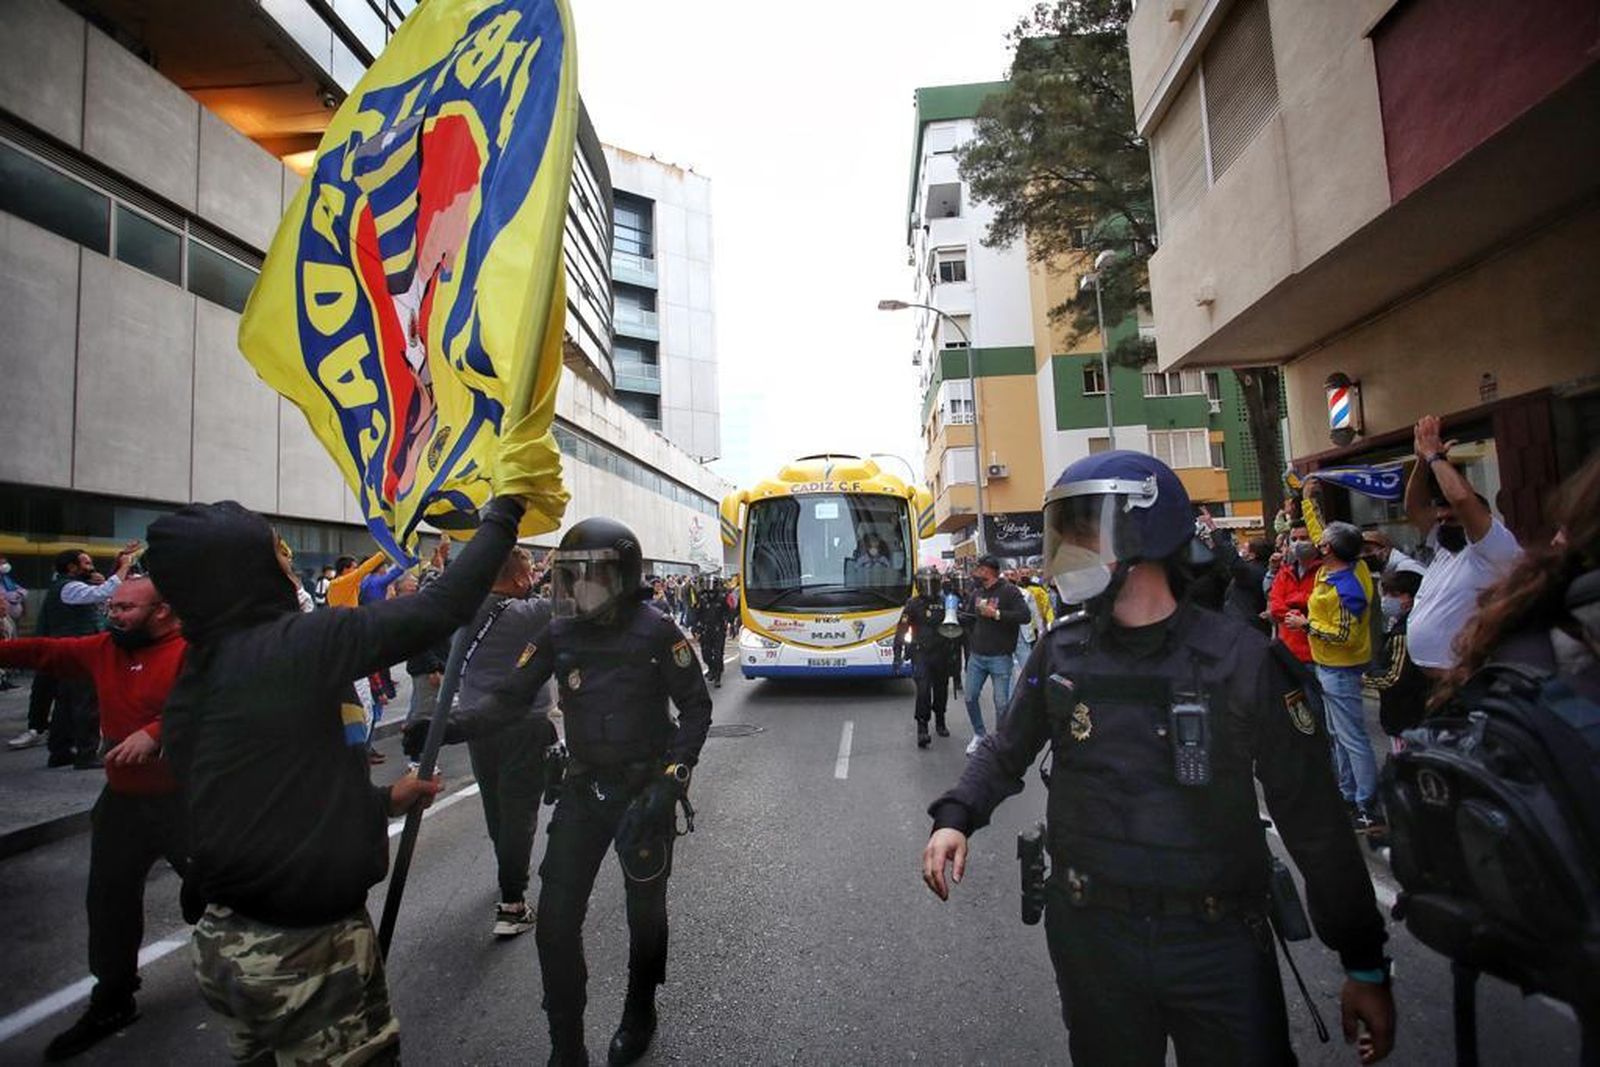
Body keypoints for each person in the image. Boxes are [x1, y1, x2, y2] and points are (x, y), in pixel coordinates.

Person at [922, 450, 1396, 1066]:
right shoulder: (1063, 653)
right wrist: (955, 816)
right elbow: (1005, 750)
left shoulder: (1239, 661)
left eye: (1084, 531)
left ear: (1144, 533)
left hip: (1217, 945)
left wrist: (1364, 962)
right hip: (1093, 939)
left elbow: (1314, 823)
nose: (1067, 550)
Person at [143, 495, 527, 1064]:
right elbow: (441, 607)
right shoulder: (288, 648)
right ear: (242, 570)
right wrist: (505, 512)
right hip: (301, 949)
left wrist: (382, 803)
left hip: (232, 941)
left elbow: (270, 798)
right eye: (273, 549)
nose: (288, 561)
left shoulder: (207, 665)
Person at [456, 517, 713, 1067]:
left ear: (620, 576)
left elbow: (696, 707)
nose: (574, 589)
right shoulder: (556, 631)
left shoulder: (657, 629)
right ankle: (565, 1046)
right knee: (553, 922)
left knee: (644, 914)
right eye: (567, 577)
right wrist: (454, 727)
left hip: (645, 792)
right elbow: (508, 697)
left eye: (587, 576)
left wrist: (674, 780)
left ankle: (640, 1009)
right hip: (582, 789)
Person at [0, 575, 188, 1060]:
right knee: (108, 899)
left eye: (126, 607)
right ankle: (112, 999)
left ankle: (257, 969)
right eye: (112, 607)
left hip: (187, 802)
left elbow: (211, 705)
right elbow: (45, 652)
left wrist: (156, 731)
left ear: (163, 611)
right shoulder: (104, 648)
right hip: (123, 801)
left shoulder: (193, 652)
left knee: (225, 888)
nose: (115, 614)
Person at [412, 546, 557, 939]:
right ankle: (513, 903)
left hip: (474, 723)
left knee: (495, 803)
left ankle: (505, 869)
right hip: (522, 723)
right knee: (520, 812)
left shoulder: (464, 610)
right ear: (518, 579)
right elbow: (574, 604)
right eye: (527, 575)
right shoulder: (528, 614)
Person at [1286, 487, 1382, 830]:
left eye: (1322, 541)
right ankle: (1347, 793)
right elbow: (1316, 528)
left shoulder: (1348, 586)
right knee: (1338, 735)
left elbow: (1344, 634)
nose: (1315, 542)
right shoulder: (1335, 566)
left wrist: (1305, 624)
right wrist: (1307, 500)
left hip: (1340, 669)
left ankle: (1368, 804)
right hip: (1327, 667)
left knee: (1352, 738)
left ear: (1329, 549)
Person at [1403, 415, 1521, 675]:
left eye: (1452, 518)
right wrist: (1422, 462)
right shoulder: (1445, 547)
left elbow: (1461, 500)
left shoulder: (1492, 546)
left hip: (1467, 675)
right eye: (1441, 518)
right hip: (1430, 676)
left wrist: (1435, 457)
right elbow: (1414, 509)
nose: (1444, 522)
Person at [12, 544, 139, 764]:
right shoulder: (68, 588)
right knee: (85, 703)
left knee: (66, 704)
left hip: (71, 651)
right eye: (86, 563)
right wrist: (124, 567)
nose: (91, 567)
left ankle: (60, 751)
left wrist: (118, 563)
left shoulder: (71, 586)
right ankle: (86, 753)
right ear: (72, 567)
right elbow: (104, 591)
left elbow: (102, 589)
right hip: (77, 651)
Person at [960, 555, 1031, 754]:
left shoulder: (1009, 591)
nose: (975, 571)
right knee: (970, 696)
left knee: (1001, 703)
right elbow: (970, 618)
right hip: (977, 656)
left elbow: (1025, 616)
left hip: (1000, 657)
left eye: (978, 568)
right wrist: (954, 616)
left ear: (988, 570)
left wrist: (997, 614)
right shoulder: (977, 592)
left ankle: (1001, 741)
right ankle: (980, 734)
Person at [894, 571, 965, 746]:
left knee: (941, 690)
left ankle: (940, 720)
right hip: (920, 652)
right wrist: (897, 654)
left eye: (932, 582)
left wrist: (956, 654)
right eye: (925, 582)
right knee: (923, 690)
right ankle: (922, 727)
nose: (929, 586)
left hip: (942, 652)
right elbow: (902, 629)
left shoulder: (945, 603)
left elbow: (955, 628)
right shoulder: (912, 604)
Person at [1364, 569, 1428, 747]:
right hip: (1405, 713)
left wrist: (1366, 678)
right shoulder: (1401, 625)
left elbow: (1395, 677)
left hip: (1405, 713)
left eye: (1396, 594)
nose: (1387, 599)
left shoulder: (1403, 632)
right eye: (1386, 593)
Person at [1268, 518, 1319, 666]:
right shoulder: (1284, 571)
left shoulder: (1325, 570)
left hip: (1317, 653)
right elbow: (1276, 607)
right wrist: (1299, 611)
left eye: (1304, 538)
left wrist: (1291, 600)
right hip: (1289, 650)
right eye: (1294, 539)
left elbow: (1321, 605)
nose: (1298, 543)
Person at [692, 575, 732, 688]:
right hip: (706, 629)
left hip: (718, 629)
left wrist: (728, 621)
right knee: (706, 654)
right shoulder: (702, 597)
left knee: (718, 654)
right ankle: (712, 668)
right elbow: (697, 613)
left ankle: (717, 678)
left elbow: (728, 611)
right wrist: (695, 627)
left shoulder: (722, 597)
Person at [0, 554, 26, 690]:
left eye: (5, 562)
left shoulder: (7, 579)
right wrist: (13, 596)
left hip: (9, 616)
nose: (5, 566)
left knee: (9, 641)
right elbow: (5, 595)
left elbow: (22, 590)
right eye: (2, 563)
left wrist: (17, 595)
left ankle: (4, 677)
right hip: (3, 616)